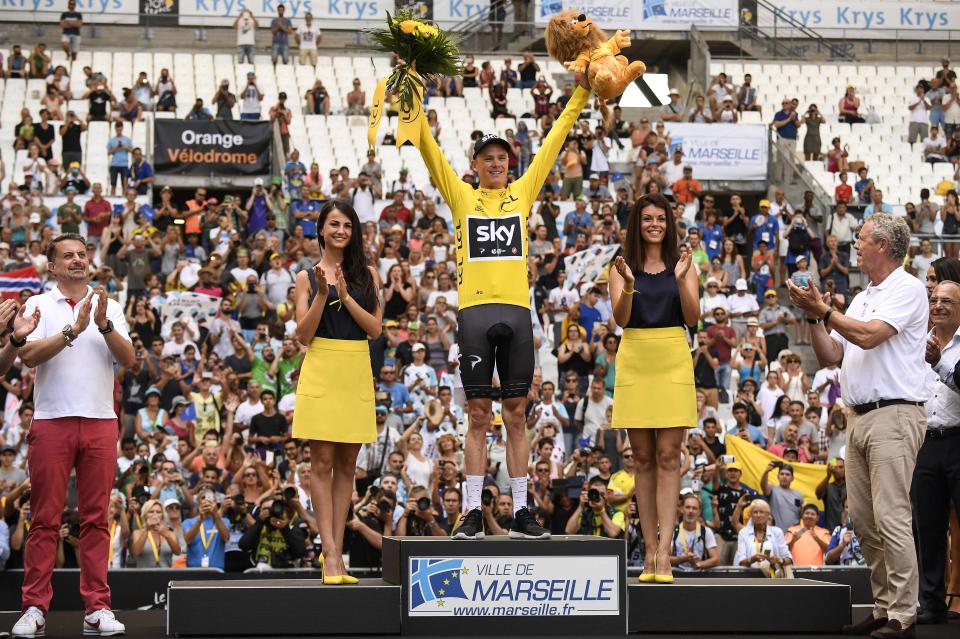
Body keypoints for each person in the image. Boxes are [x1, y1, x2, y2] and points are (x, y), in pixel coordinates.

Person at [410, 67, 594, 543]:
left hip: (515, 312)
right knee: (476, 414)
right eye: (487, 157)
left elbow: (554, 141)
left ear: (510, 164)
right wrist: (409, 86)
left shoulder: (521, 194)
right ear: (475, 164)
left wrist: (581, 91)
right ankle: (470, 512)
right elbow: (427, 146)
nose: (496, 164)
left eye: (502, 158)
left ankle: (522, 511)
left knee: (515, 413)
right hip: (473, 314)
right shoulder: (461, 196)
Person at [788, 214, 927, 638]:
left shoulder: (908, 288)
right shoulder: (866, 296)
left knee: (891, 516)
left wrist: (826, 309)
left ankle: (904, 613)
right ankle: (885, 607)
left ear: (883, 246)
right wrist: (815, 318)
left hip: (895, 413)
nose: (855, 245)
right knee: (864, 521)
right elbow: (832, 354)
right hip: (860, 415)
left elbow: (868, 337)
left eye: (862, 239)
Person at [13, 233, 133, 638]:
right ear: (52, 265)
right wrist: (72, 330)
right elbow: (27, 355)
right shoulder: (38, 305)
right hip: (52, 420)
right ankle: (33, 607)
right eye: (68, 255)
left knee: (97, 520)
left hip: (100, 420)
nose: (78, 260)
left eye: (83, 254)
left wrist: (101, 324)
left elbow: (129, 358)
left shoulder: (109, 304)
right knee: (44, 519)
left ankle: (97, 607)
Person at [609, 192, 700, 583]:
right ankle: (647, 551)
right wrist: (629, 284)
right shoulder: (620, 264)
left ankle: (665, 553)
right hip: (636, 356)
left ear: (669, 222)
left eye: (660, 218)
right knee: (642, 460)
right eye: (647, 219)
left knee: (668, 456)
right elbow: (620, 319)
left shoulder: (683, 262)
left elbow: (693, 316)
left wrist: (681, 281)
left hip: (672, 355)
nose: (654, 225)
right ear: (637, 223)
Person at [293, 200, 382, 583]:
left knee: (348, 465)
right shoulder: (305, 276)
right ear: (321, 229)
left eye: (347, 224)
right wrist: (321, 295)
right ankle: (329, 553)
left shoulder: (369, 274)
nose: (340, 230)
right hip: (321, 366)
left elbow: (375, 329)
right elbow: (302, 334)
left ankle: (338, 553)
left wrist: (344, 297)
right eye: (333, 224)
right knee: (321, 463)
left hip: (355, 367)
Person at [914, 280, 960, 625]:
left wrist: (938, 363)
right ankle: (931, 601)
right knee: (927, 526)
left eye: (947, 300)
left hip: (959, 440)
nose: (938, 305)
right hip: (925, 441)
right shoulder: (916, 340)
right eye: (934, 299)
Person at [734, 499, 793, 577]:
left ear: (768, 514)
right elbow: (740, 561)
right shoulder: (743, 533)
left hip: (773, 578)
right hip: (749, 577)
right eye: (755, 512)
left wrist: (779, 560)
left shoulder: (777, 532)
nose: (758, 515)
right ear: (750, 515)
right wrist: (751, 559)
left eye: (761, 512)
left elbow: (789, 559)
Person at [669, 493, 719, 571]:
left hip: (698, 577)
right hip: (677, 576)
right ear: (682, 509)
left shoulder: (706, 531)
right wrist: (682, 559)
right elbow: (665, 558)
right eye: (688, 507)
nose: (691, 511)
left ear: (699, 512)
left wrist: (698, 564)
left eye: (694, 508)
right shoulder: (672, 531)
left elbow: (716, 559)